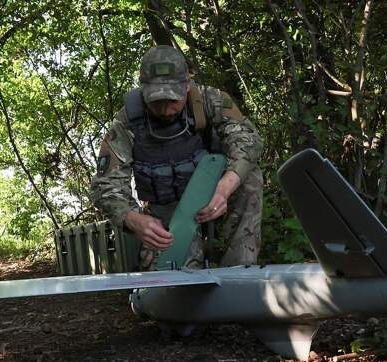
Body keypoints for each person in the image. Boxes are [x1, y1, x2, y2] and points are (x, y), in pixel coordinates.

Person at [90, 45, 263, 270]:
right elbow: (105, 185)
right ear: (143, 88)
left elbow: (248, 141)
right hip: (167, 211)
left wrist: (224, 189)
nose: (166, 110)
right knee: (171, 278)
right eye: (156, 102)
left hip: (215, 192)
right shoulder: (127, 122)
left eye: (173, 100)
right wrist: (134, 220)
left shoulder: (210, 100)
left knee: (249, 178)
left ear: (187, 84)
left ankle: (241, 273)